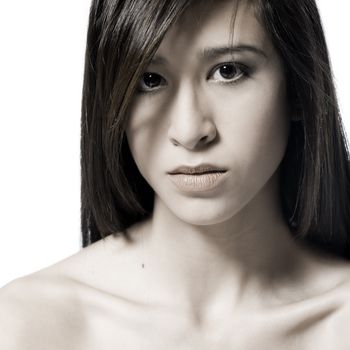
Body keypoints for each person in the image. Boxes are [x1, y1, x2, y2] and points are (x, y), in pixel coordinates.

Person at [1, 0, 350, 348]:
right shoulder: (29, 325)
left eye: (228, 71)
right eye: (150, 80)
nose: (189, 130)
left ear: (299, 90)